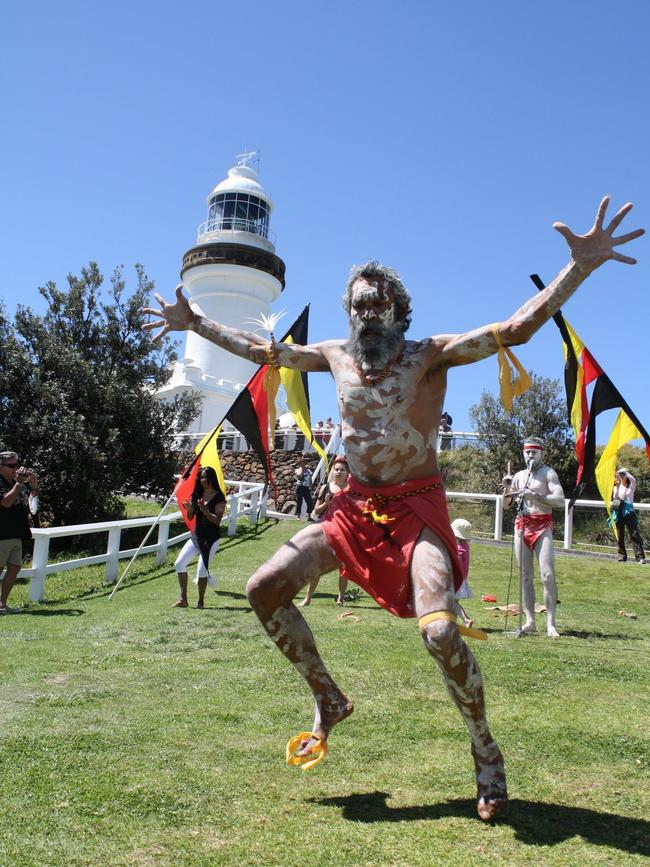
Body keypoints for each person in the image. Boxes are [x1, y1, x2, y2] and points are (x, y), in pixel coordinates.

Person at [144, 195, 643, 821]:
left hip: (416, 510)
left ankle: (486, 752)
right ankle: (329, 700)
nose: (366, 316)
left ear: (399, 312)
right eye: (357, 307)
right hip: (353, 510)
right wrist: (196, 325)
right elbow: (265, 353)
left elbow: (513, 331)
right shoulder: (331, 354)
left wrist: (580, 268)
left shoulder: (429, 353)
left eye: (377, 306)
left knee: (438, 631)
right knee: (263, 586)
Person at [502, 437, 564, 638]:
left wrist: (536, 496)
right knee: (525, 576)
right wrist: (507, 488)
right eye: (527, 452)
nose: (530, 455)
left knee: (547, 575)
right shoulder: (520, 476)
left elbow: (560, 500)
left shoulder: (549, 473)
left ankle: (551, 623)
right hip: (522, 526)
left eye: (534, 452)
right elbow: (506, 505)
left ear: (541, 453)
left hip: (542, 525)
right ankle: (530, 621)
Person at [299, 456, 350, 607]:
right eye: (336, 469)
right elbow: (316, 510)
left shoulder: (351, 490)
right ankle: (308, 598)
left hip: (343, 532)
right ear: (333, 471)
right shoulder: (325, 488)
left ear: (348, 473)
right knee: (316, 565)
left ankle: (341, 597)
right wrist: (326, 504)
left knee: (343, 566)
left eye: (342, 470)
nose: (339, 472)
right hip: (325, 530)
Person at [173, 466, 226, 609]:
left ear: (212, 478)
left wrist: (205, 510)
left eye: (205, 477)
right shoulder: (197, 494)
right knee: (179, 564)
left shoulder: (219, 497)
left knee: (201, 570)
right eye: (201, 477)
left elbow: (217, 520)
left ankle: (201, 602)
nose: (203, 480)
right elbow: (190, 517)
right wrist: (190, 508)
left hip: (211, 539)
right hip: (197, 537)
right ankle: (183, 599)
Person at [0, 451, 39, 614]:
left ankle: (2, 604)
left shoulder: (17, 483)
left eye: (16, 465)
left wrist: (34, 485)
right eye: (11, 466)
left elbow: (32, 506)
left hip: (16, 533)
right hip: (1, 534)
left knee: (15, 568)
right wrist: (19, 483)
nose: (16, 469)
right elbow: (6, 502)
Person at [610, 468, 646, 564]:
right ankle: (622, 556)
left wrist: (626, 473)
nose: (621, 476)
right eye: (620, 474)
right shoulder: (616, 486)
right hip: (619, 512)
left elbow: (634, 480)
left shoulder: (631, 486)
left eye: (623, 474)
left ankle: (640, 557)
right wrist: (617, 486)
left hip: (629, 512)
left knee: (634, 534)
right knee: (619, 534)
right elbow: (615, 498)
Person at [451, 518, 474, 629]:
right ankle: (452, 622)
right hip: (462, 579)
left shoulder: (460, 549)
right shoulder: (466, 546)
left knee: (452, 601)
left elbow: (455, 562)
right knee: (455, 601)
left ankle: (466, 619)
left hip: (457, 579)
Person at [294, 456, 314, 520]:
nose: (302, 464)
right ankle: (298, 516)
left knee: (309, 502)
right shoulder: (297, 470)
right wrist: (302, 470)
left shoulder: (308, 471)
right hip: (300, 487)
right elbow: (300, 477)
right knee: (299, 501)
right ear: (299, 463)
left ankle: (309, 516)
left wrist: (310, 487)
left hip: (306, 487)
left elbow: (310, 480)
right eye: (301, 463)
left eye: (303, 463)